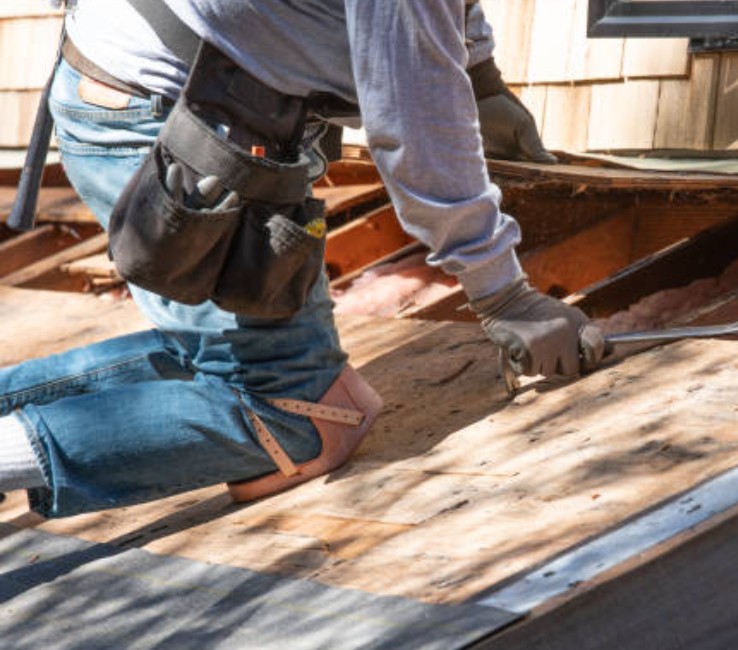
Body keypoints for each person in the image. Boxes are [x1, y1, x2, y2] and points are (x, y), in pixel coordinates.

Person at [0, 0, 601, 518]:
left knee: (220, 356)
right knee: (304, 414)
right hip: (161, 116)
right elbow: (413, 129)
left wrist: (479, 75)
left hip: (162, 82)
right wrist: (502, 293)